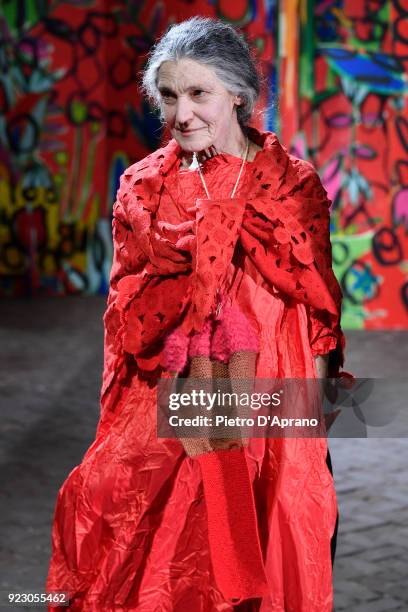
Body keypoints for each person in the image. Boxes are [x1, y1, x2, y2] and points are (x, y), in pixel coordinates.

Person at [46, 16, 347, 611]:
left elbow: (315, 301)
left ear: (237, 93)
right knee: (137, 529)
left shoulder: (294, 187)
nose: (182, 114)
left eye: (198, 93)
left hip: (272, 397)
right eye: (169, 95)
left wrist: (310, 418)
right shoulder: (143, 189)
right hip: (174, 392)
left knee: (279, 531)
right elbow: (125, 306)